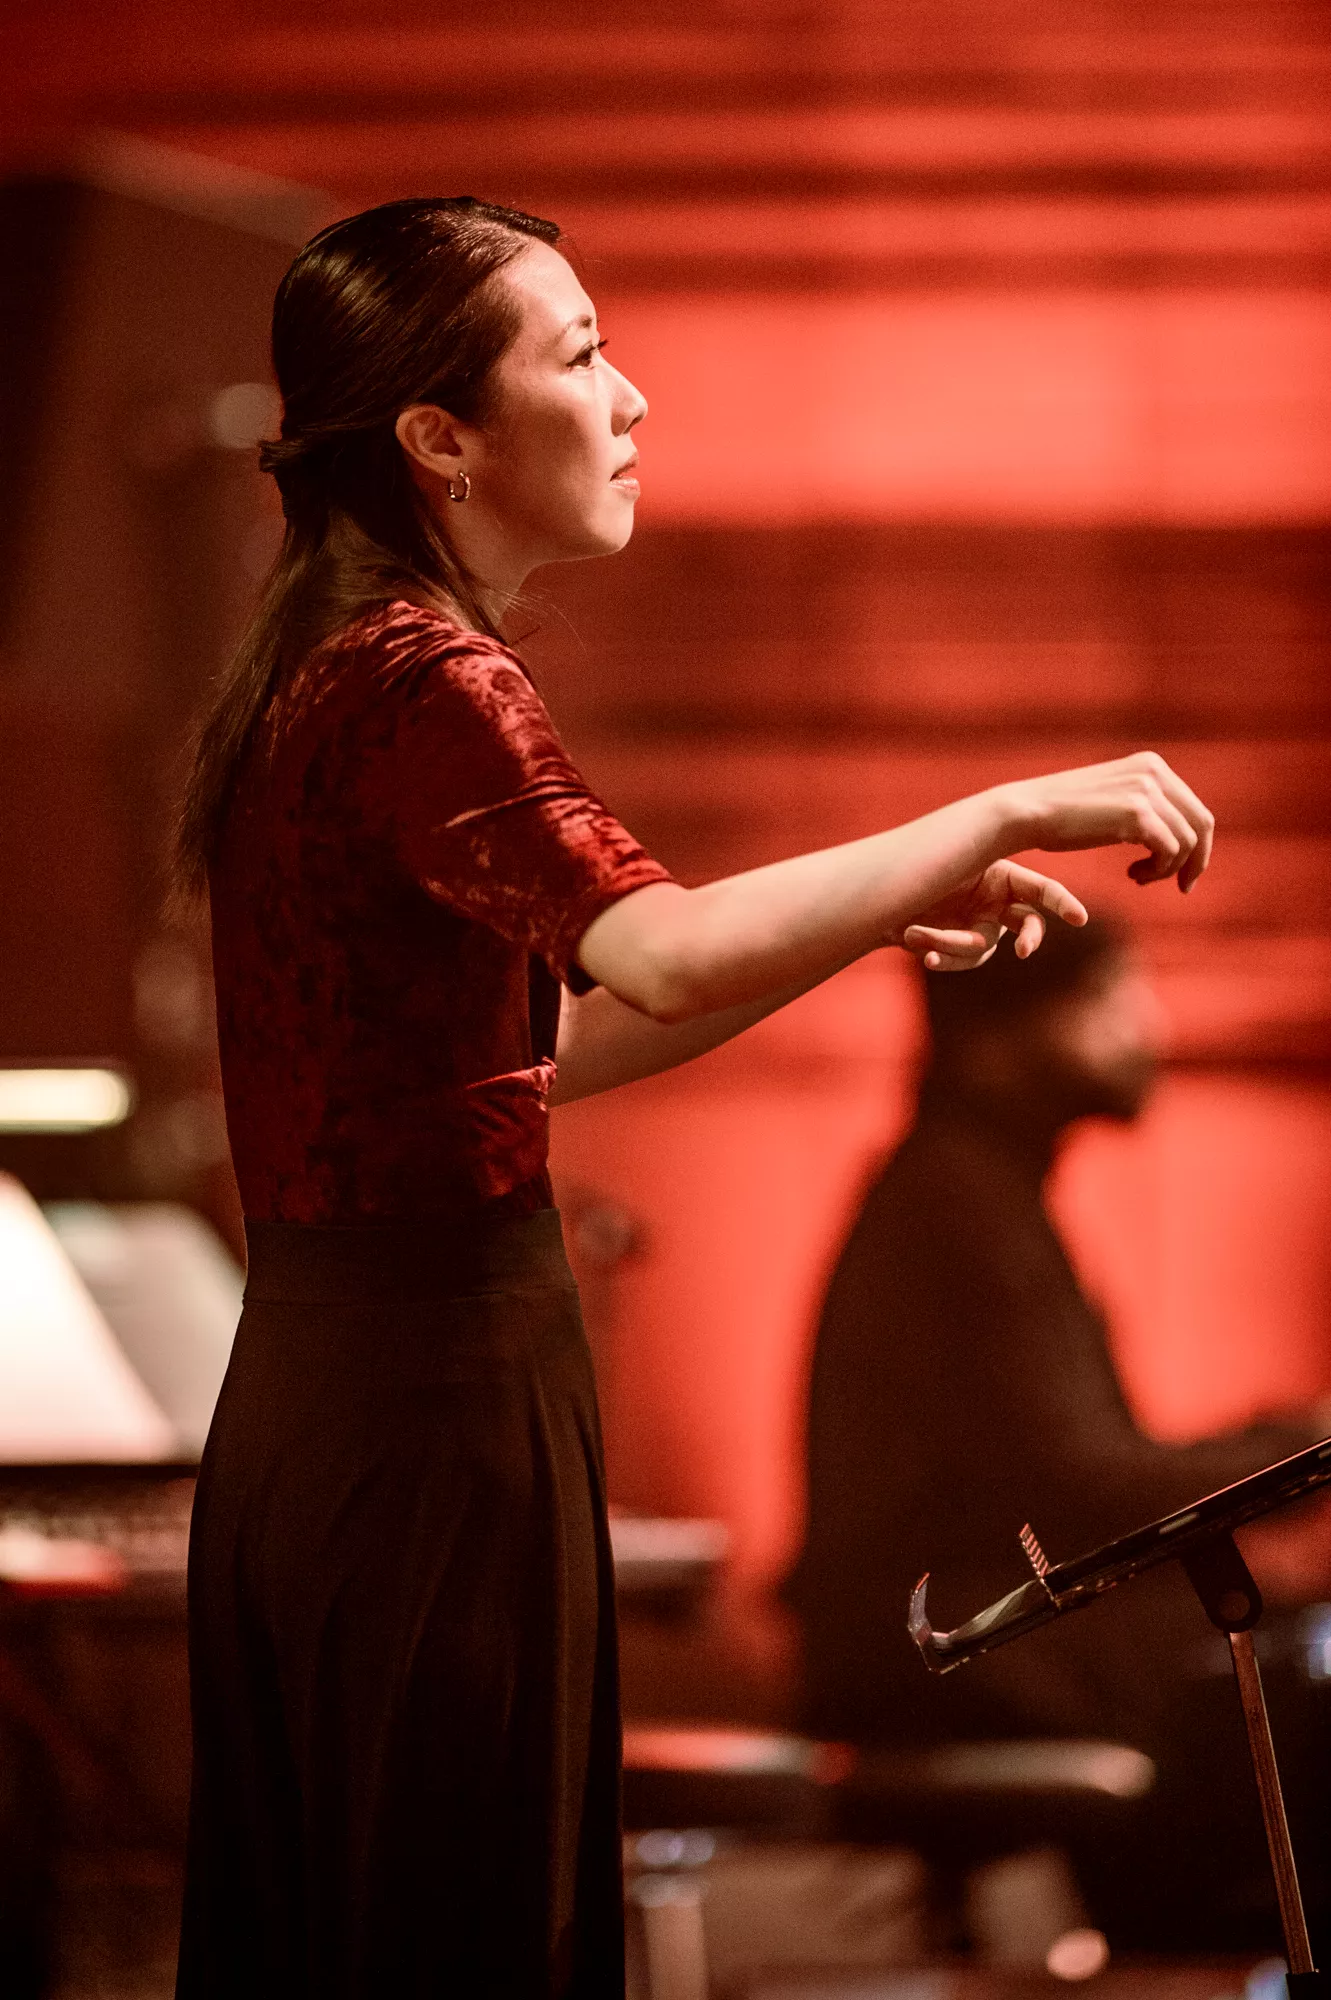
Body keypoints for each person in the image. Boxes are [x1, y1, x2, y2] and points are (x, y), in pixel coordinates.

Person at [173, 195, 1215, 1997]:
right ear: (438, 437)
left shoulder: (331, 659)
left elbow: (547, 1049)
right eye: (580, 356)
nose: (631, 395)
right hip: (426, 1420)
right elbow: (654, 953)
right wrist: (993, 810)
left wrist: (876, 914)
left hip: (355, 1412)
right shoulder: (427, 679)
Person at [789, 917, 1328, 1942]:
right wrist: (1297, 1447)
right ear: (992, 1035)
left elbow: (1068, 1475)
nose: (1146, 1026)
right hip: (946, 1655)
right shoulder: (956, 1206)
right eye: (1107, 997)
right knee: (1282, 1688)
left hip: (985, 1637)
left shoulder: (969, 1191)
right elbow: (1075, 1484)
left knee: (1279, 1658)